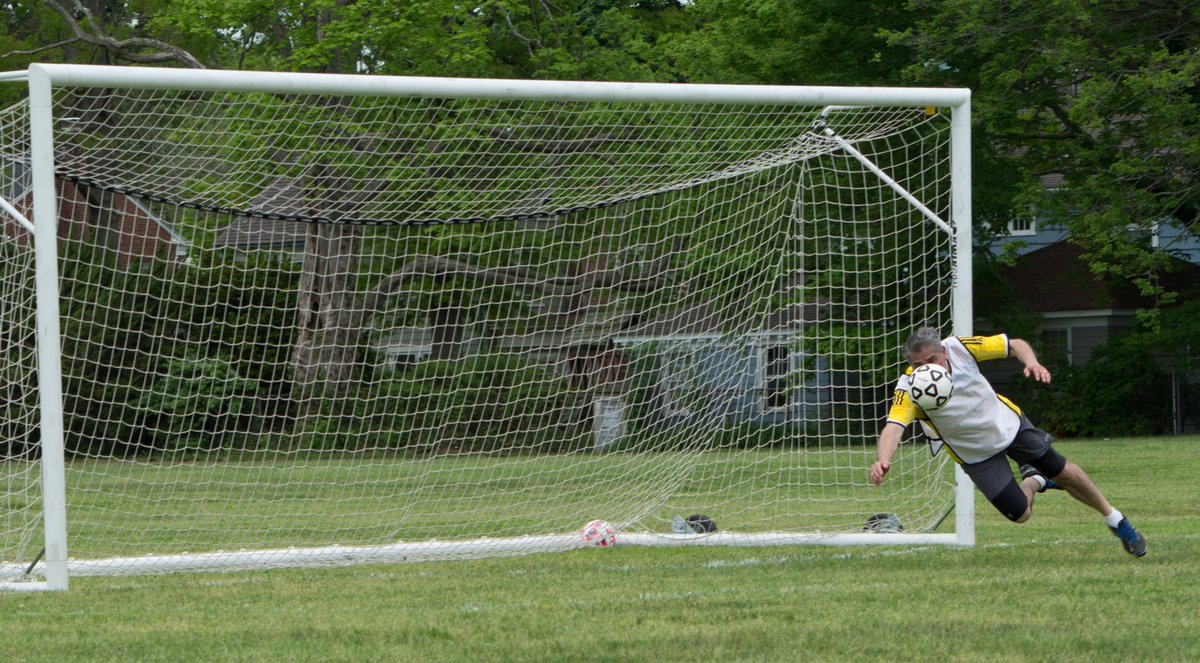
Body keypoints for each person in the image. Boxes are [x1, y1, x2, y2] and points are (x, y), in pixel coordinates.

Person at [869, 327, 1146, 557]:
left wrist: (1032, 362)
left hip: (1008, 426)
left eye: (930, 361)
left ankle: (1117, 521)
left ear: (942, 352)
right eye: (917, 365)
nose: (925, 369)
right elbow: (894, 426)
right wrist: (884, 459)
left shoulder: (960, 348)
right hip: (976, 456)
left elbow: (1015, 344)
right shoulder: (909, 388)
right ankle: (1034, 480)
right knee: (1021, 514)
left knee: (1066, 472)